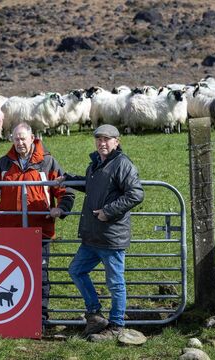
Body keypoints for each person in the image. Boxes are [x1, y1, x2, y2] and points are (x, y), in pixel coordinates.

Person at [0, 122, 75, 324]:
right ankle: (15, 316)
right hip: (10, 231)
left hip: (39, 229)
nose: (20, 143)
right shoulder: (3, 164)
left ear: (32, 137)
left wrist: (60, 209)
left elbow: (65, 190)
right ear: (11, 140)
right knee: (11, 273)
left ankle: (40, 318)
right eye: (16, 139)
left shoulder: (48, 162)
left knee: (40, 273)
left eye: (23, 138)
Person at [54, 124, 144, 341]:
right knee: (76, 270)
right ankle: (94, 314)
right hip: (92, 236)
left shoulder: (122, 164)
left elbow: (136, 194)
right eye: (99, 139)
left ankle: (116, 325)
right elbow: (93, 186)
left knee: (115, 282)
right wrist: (68, 178)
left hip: (111, 236)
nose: (102, 143)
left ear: (117, 141)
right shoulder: (95, 164)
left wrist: (108, 211)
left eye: (107, 139)